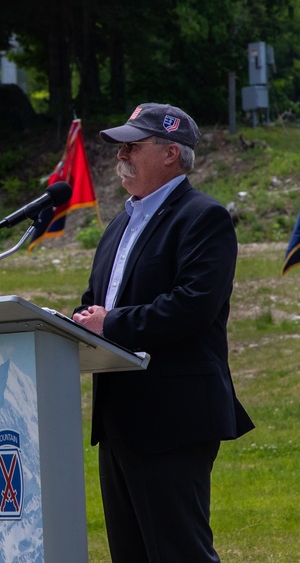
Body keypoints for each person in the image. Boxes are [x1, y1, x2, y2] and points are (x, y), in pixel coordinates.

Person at [72, 102, 254, 562]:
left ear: (171, 153)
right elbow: (98, 299)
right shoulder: (120, 223)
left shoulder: (203, 218)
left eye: (133, 145)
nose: (121, 155)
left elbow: (192, 306)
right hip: (119, 418)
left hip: (173, 416)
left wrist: (108, 323)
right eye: (120, 147)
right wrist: (77, 320)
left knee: (179, 553)